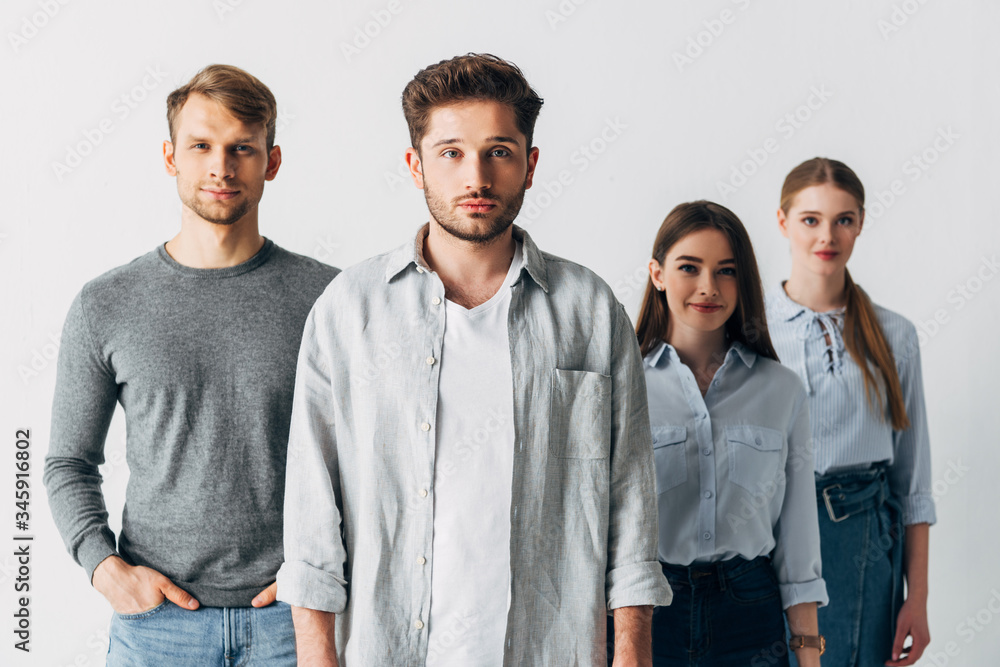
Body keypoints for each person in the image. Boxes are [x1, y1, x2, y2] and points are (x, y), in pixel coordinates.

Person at [277, 53, 671, 666]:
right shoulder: (348, 311)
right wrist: (316, 656)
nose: (477, 178)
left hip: (553, 649)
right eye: (452, 153)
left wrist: (633, 650)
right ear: (416, 165)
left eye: (500, 151)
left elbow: (631, 499)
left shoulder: (589, 309)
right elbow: (311, 508)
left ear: (530, 165)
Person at [43, 64, 339, 665]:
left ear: (272, 162)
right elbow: (66, 461)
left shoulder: (329, 299)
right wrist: (104, 569)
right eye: (201, 146)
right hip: (157, 628)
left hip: (295, 621)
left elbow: (373, 459)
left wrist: (324, 569)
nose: (221, 168)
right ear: (170, 156)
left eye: (242, 149)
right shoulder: (107, 303)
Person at [606, 200, 827, 666]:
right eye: (690, 267)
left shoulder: (782, 389)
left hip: (751, 612)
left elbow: (799, 534)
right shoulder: (621, 386)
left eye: (726, 271)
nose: (708, 287)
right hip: (647, 610)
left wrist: (808, 652)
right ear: (658, 273)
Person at [767, 157, 935, 667]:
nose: (827, 235)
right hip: (767, 533)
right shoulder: (754, 329)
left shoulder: (895, 335)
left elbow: (914, 481)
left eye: (844, 219)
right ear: (783, 222)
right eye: (811, 219)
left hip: (860, 538)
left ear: (860, 223)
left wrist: (918, 598)